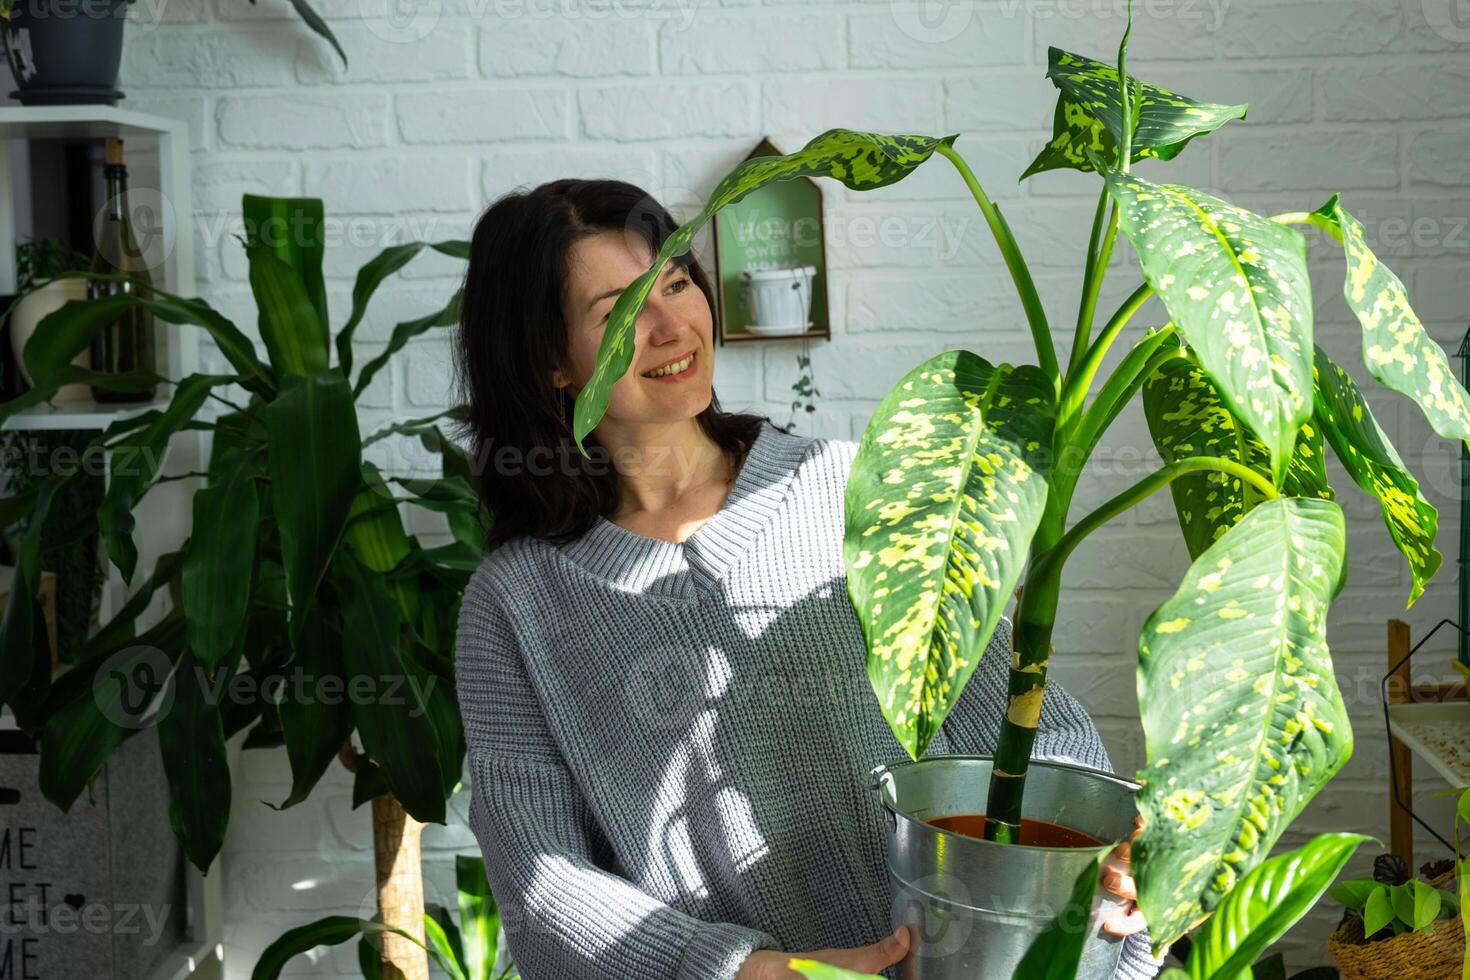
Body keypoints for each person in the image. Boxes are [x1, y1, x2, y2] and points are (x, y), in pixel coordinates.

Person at [451, 178, 1160, 980]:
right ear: (550, 360)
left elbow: (1021, 720)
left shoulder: (856, 489)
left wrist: (1105, 843)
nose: (669, 324)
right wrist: (738, 971)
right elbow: (541, 879)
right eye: (618, 309)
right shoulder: (514, 607)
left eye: (676, 281)